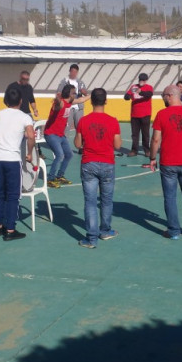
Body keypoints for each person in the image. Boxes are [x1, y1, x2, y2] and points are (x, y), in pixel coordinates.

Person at [149, 85, 182, 240]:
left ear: (170, 96)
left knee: (170, 197)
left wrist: (152, 158)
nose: (163, 99)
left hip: (168, 163)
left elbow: (155, 139)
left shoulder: (161, 115)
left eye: (163, 96)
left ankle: (173, 231)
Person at [74, 88, 122, 248]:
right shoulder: (113, 121)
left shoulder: (84, 121)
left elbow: (77, 144)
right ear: (105, 101)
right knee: (107, 200)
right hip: (107, 162)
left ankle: (91, 238)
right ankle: (105, 230)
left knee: (90, 201)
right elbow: (117, 145)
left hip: (89, 163)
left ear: (91, 101)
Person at [0, 87, 35, 241]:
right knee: (13, 196)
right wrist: (29, 153)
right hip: (11, 159)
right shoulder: (24, 117)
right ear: (21, 101)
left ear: (5, 101)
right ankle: (10, 229)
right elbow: (30, 135)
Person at [44, 84, 90, 188]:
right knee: (60, 155)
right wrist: (57, 99)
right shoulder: (60, 103)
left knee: (69, 155)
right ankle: (50, 179)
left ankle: (60, 176)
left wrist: (92, 95)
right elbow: (58, 105)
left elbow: (81, 100)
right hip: (51, 134)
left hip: (61, 135)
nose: (75, 94)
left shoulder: (70, 102)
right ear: (68, 93)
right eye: (73, 93)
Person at [6, 70, 42, 156]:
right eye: (24, 79)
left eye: (27, 79)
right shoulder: (12, 86)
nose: (25, 81)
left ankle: (38, 152)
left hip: (27, 114)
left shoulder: (29, 87)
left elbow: (32, 100)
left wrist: (35, 110)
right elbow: (6, 100)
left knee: (33, 133)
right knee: (16, 132)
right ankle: (14, 150)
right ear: (20, 77)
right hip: (16, 114)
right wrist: (12, 110)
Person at [124, 73, 153, 157]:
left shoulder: (149, 87)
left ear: (146, 80)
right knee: (135, 134)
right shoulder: (133, 87)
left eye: (143, 80)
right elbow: (127, 95)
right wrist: (127, 96)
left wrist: (141, 92)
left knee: (145, 134)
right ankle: (134, 150)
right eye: (140, 79)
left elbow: (149, 94)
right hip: (134, 114)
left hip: (145, 114)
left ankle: (147, 150)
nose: (141, 81)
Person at [57, 64, 88, 130]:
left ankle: (79, 140)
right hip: (68, 107)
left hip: (78, 107)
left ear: (77, 72)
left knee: (80, 127)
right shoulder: (64, 81)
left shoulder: (80, 82)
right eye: (72, 71)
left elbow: (86, 93)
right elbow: (59, 93)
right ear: (69, 71)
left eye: (75, 72)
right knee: (66, 127)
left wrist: (83, 91)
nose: (74, 73)